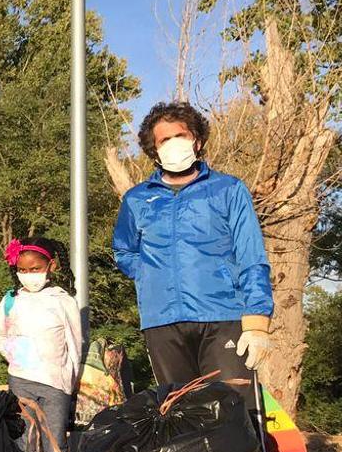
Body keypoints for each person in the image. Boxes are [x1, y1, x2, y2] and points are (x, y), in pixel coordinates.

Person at [113, 101, 273, 408]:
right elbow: (123, 249)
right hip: (162, 322)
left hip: (223, 316)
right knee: (181, 415)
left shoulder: (228, 189)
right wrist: (149, 276)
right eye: (164, 140)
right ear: (154, 149)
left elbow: (251, 254)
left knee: (234, 413)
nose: (174, 144)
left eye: (181, 136)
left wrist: (257, 320)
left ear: (197, 140)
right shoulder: (137, 199)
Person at [0, 237, 82, 452]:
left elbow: (75, 344)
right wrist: (19, 357)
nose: (29, 274)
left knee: (55, 444)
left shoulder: (63, 301)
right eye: (22, 270)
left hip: (55, 386)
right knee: (24, 444)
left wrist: (68, 382)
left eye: (35, 269)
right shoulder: (11, 300)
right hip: (20, 382)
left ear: (51, 266)